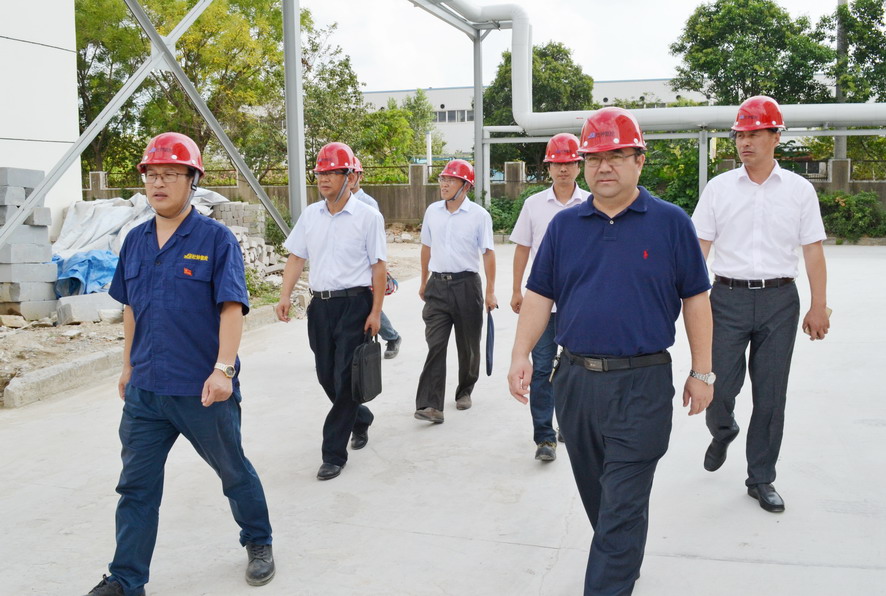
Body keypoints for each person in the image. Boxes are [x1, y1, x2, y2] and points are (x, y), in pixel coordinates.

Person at [507, 107, 714, 595]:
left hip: (642, 384)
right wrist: (520, 353)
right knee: (603, 499)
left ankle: (608, 581)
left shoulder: (670, 223)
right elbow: (539, 295)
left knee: (621, 503)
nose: (604, 167)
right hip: (575, 382)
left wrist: (702, 371)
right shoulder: (564, 227)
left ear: (640, 160)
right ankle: (622, 558)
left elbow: (696, 300)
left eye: (617, 155)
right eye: (595, 157)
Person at [84, 133, 275, 596]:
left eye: (171, 174)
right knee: (136, 488)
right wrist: (127, 366)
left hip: (201, 389)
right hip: (147, 391)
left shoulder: (214, 239)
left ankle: (259, 540)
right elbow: (131, 308)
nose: (159, 183)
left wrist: (223, 369)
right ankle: (126, 579)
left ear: (192, 180)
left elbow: (232, 307)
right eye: (152, 174)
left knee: (233, 471)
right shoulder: (135, 240)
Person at [692, 95, 830, 513]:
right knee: (717, 385)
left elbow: (813, 249)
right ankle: (723, 430)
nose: (744, 142)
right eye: (740, 135)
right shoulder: (718, 189)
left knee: (770, 394)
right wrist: (686, 298)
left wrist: (818, 305)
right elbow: (700, 247)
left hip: (780, 301)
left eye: (754, 134)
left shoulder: (799, 190)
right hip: (726, 298)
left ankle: (761, 477)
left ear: (775, 137)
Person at [276, 142, 386, 481]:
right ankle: (361, 417)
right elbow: (297, 257)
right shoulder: (311, 215)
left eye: (331, 173)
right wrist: (284, 295)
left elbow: (379, 267)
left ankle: (333, 454)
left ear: (349, 177)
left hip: (355, 305)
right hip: (320, 307)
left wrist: (376, 312)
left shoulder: (368, 217)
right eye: (320, 173)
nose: (323, 179)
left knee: (346, 378)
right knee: (327, 376)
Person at [510, 132, 589, 462]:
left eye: (569, 163)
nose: (563, 169)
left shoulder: (591, 203)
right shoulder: (534, 205)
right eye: (557, 164)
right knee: (541, 368)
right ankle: (544, 436)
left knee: (578, 369)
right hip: (541, 303)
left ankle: (569, 425)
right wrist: (516, 289)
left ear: (579, 165)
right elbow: (522, 248)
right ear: (548, 167)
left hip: (579, 303)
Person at [414, 159, 497, 423]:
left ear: (466, 186)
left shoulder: (479, 216)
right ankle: (430, 405)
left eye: (451, 180)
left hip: (467, 285)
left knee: (469, 345)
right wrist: (423, 280)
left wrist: (490, 291)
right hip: (437, 285)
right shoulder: (432, 212)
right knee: (435, 344)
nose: (444, 184)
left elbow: (488, 254)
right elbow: (426, 247)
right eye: (443, 179)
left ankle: (465, 390)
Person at [351, 156, 402, 359]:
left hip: (364, 265)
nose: (348, 178)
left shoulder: (368, 203)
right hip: (346, 267)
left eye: (353, 174)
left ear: (360, 176)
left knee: (368, 305)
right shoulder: (331, 203)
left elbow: (375, 240)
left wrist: (377, 267)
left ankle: (392, 337)